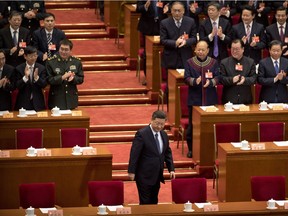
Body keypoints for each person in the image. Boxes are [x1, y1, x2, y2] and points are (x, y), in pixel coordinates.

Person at [128, 110, 175, 204]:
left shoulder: (164, 135)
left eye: (162, 124)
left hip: (157, 175)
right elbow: (134, 154)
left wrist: (171, 169)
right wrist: (131, 171)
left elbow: (167, 153)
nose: (159, 126)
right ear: (152, 120)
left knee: (154, 200)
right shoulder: (142, 134)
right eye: (157, 123)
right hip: (144, 175)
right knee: (145, 202)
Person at [184, 40, 219, 158]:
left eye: (203, 50)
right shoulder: (189, 62)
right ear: (195, 50)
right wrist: (195, 81)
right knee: (193, 126)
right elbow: (186, 77)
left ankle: (209, 148)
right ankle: (191, 149)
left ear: (208, 50)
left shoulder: (214, 62)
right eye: (198, 49)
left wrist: (211, 82)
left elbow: (218, 77)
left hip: (210, 98)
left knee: (210, 124)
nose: (200, 52)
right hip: (195, 99)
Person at [136, 0, 169, 85]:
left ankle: (162, 77)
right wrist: (145, 6)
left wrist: (168, 8)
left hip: (161, 25)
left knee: (164, 52)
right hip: (147, 26)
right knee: (148, 53)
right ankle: (148, 77)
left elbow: (170, 4)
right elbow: (138, 8)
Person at [46, 39, 84, 110]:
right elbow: (49, 80)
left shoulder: (76, 62)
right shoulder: (51, 62)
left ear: (70, 51)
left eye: (66, 50)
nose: (63, 52)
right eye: (62, 49)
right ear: (59, 49)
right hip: (56, 99)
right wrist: (62, 77)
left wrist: (73, 79)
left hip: (71, 99)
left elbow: (81, 78)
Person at [160, 1, 197, 71]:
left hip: (186, 56)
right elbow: (163, 40)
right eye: (175, 11)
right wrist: (175, 43)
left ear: (183, 11)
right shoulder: (164, 23)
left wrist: (186, 42)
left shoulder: (190, 22)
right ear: (171, 11)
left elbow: (194, 39)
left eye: (179, 11)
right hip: (171, 58)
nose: (177, 13)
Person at [220, 39, 257, 104]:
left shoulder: (250, 62)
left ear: (243, 49)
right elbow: (221, 79)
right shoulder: (224, 62)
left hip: (245, 99)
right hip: (229, 101)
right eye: (232, 49)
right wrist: (232, 80)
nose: (234, 51)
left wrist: (245, 80)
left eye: (237, 49)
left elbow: (254, 78)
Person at [14, 46, 47, 111]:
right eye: (31, 56)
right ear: (25, 56)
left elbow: (44, 85)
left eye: (35, 55)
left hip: (38, 103)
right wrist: (25, 78)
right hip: (23, 103)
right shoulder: (19, 68)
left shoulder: (41, 68)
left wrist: (37, 78)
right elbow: (17, 86)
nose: (33, 58)